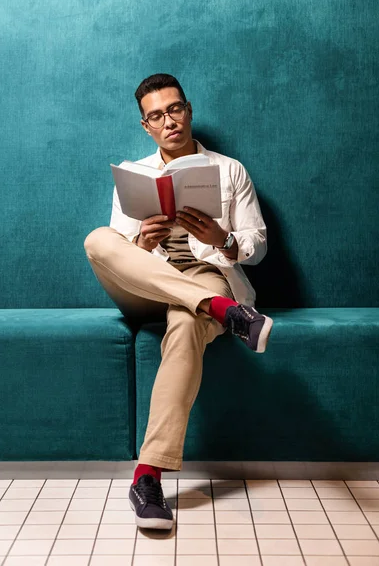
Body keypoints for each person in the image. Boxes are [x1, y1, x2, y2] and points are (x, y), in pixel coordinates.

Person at [84, 73, 273, 530]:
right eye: (156, 115)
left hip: (208, 274)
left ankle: (147, 477)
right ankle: (226, 314)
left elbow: (259, 244)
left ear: (188, 110)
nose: (167, 120)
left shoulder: (230, 170)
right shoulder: (133, 175)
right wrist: (143, 242)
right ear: (145, 125)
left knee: (186, 323)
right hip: (147, 285)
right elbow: (120, 253)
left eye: (175, 109)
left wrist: (223, 238)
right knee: (99, 240)